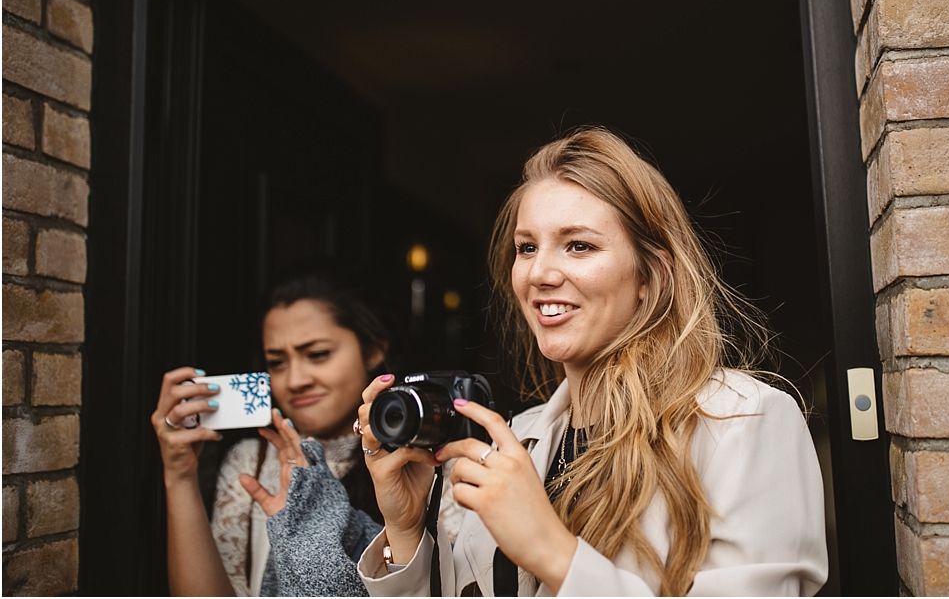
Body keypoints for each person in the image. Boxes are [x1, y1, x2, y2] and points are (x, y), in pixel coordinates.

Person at [351, 128, 828, 596]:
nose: (539, 273)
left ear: (652, 275)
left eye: (579, 245)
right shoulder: (512, 441)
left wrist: (552, 552)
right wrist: (407, 529)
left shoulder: (744, 422)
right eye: (527, 247)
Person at [151, 262, 393, 596]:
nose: (295, 381)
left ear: (374, 350)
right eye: (277, 362)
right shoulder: (250, 462)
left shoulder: (417, 463)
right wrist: (179, 476)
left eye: (318, 354)